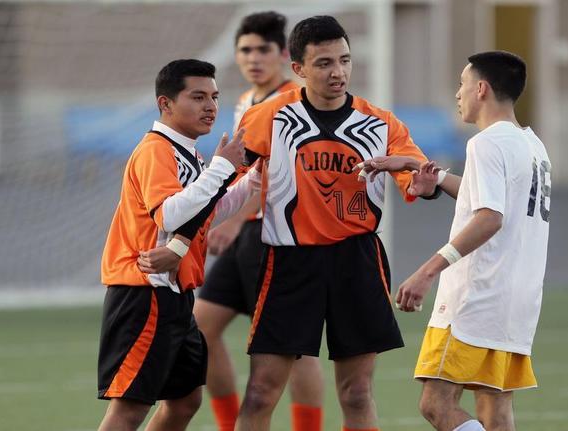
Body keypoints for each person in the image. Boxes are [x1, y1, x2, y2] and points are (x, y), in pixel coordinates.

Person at [234, 16, 434, 431]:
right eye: (324, 63)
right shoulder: (267, 117)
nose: (338, 72)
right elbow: (230, 180)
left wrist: (426, 182)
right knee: (259, 393)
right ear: (299, 69)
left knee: (356, 393)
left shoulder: (381, 124)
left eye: (344, 60)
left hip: (356, 260)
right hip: (289, 262)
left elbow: (416, 179)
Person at [361, 51, 551, 431]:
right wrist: (419, 166)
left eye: (462, 84)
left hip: (476, 297)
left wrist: (428, 271)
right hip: (517, 299)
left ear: (481, 89)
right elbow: (490, 199)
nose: (457, 94)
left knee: (436, 404)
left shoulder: (485, 144)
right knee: (494, 408)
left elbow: (489, 218)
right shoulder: (532, 147)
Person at [97, 59, 258, 431]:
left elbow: (207, 212)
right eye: (198, 96)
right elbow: (169, 216)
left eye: (215, 97)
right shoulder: (157, 149)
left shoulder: (191, 153)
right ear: (165, 104)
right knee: (130, 408)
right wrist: (221, 167)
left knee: (185, 400)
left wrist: (252, 177)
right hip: (144, 293)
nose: (211, 107)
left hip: (175, 294)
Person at [194, 11, 324, 431]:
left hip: (281, 234)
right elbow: (248, 171)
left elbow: (276, 174)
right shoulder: (245, 101)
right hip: (249, 234)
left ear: (284, 54)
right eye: (245, 50)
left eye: (262, 49)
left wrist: (233, 221)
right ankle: (230, 423)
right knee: (201, 327)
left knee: (294, 348)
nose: (253, 58)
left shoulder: (292, 100)